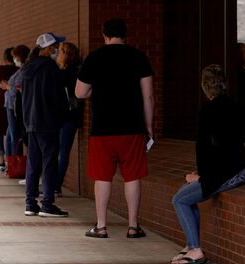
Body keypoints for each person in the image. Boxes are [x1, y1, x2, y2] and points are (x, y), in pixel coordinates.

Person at [75, 18, 154, 238]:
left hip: (102, 129)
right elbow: (148, 95)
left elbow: (79, 93)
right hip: (132, 128)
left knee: (102, 177)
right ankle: (133, 226)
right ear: (125, 34)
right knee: (132, 177)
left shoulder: (94, 58)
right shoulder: (139, 57)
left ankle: (101, 226)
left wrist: (99, 92)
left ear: (105, 34)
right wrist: (149, 126)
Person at [170, 65, 245, 264]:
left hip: (227, 173)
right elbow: (224, 147)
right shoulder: (233, 105)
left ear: (204, 86)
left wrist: (201, 177)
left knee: (179, 200)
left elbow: (205, 148)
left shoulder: (209, 110)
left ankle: (195, 250)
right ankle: (190, 244)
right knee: (187, 195)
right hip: (240, 168)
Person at [20, 32, 69, 217]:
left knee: (33, 162)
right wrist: (63, 114)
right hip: (48, 121)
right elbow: (57, 96)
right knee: (49, 162)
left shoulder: (28, 68)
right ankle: (47, 203)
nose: (57, 50)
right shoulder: (50, 67)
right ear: (48, 48)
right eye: (55, 47)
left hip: (31, 122)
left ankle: (30, 203)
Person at [55, 42, 83, 196]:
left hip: (67, 118)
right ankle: (54, 184)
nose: (57, 55)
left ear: (66, 54)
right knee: (60, 151)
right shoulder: (68, 72)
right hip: (66, 117)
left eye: (60, 51)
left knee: (62, 152)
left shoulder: (70, 73)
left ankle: (55, 185)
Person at [0, 45, 30, 160]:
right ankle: (10, 162)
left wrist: (7, 86)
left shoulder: (25, 71)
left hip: (14, 106)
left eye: (15, 57)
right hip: (10, 105)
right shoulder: (20, 70)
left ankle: (15, 162)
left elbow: (20, 89)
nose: (14, 60)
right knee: (10, 135)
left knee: (14, 136)